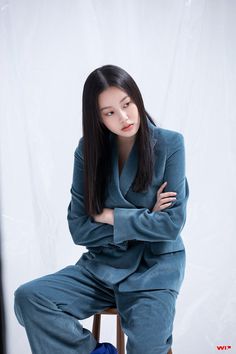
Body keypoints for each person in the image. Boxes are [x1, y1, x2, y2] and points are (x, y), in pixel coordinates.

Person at [14, 64, 189, 354]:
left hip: (154, 270)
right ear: (97, 117)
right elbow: (79, 228)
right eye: (109, 112)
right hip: (102, 267)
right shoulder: (88, 151)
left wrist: (111, 216)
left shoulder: (170, 144)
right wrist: (146, 219)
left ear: (137, 99)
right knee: (31, 297)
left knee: (147, 347)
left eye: (127, 104)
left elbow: (171, 225)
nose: (123, 117)